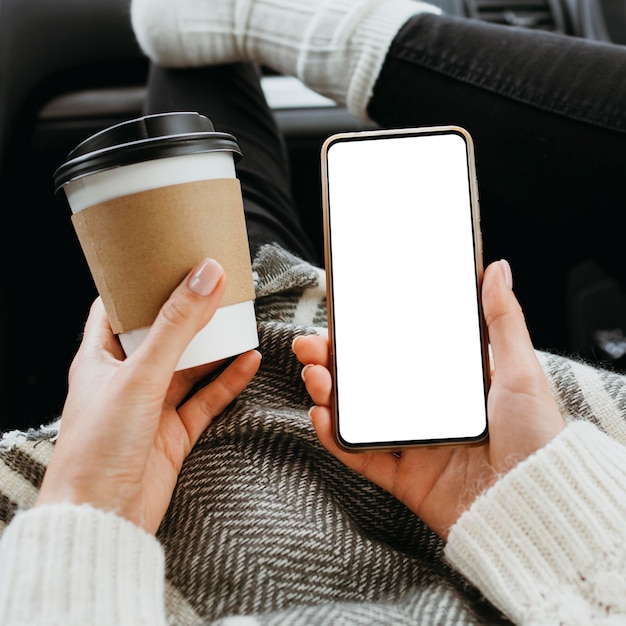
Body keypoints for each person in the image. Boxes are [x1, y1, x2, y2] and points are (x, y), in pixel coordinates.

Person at [1, 1, 626, 624]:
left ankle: (238, 21)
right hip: (544, 531)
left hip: (174, 516)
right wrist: (527, 502)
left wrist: (90, 499)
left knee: (239, 254)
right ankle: (258, 23)